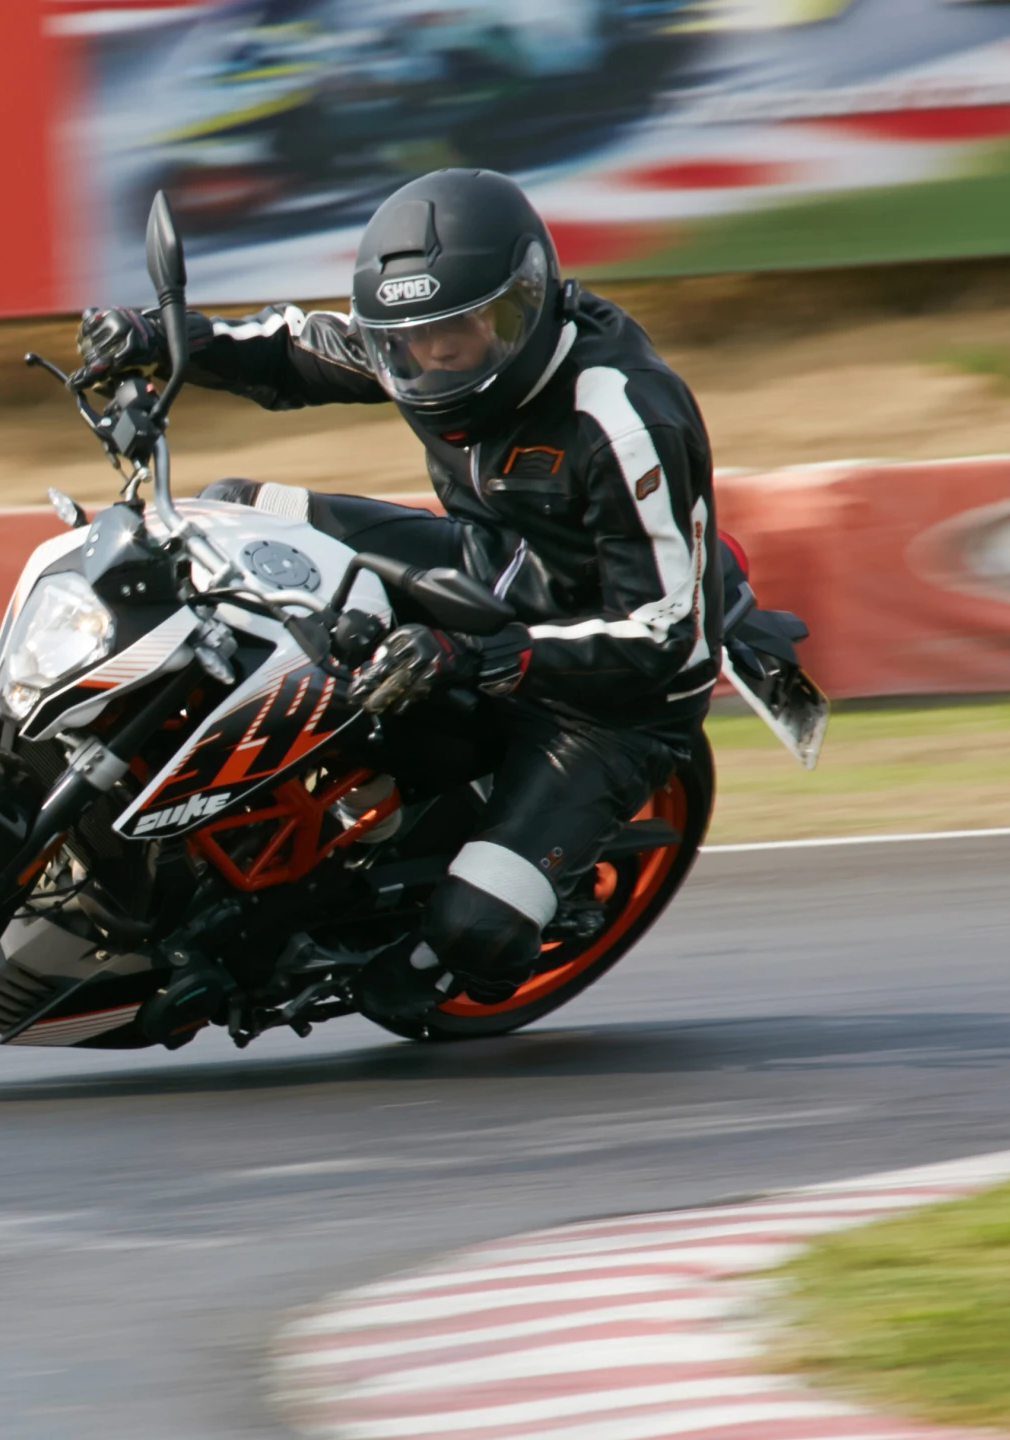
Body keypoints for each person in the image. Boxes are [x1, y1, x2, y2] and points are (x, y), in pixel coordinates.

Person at [76, 167, 719, 1028]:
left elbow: (668, 639)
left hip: (608, 699)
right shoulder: (415, 342)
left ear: (526, 305)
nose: (437, 357)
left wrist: (482, 656)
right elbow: (298, 348)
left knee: (462, 945)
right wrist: (163, 337)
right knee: (230, 510)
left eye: (461, 331)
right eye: (412, 342)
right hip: (488, 569)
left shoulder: (624, 417)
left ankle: (441, 928)